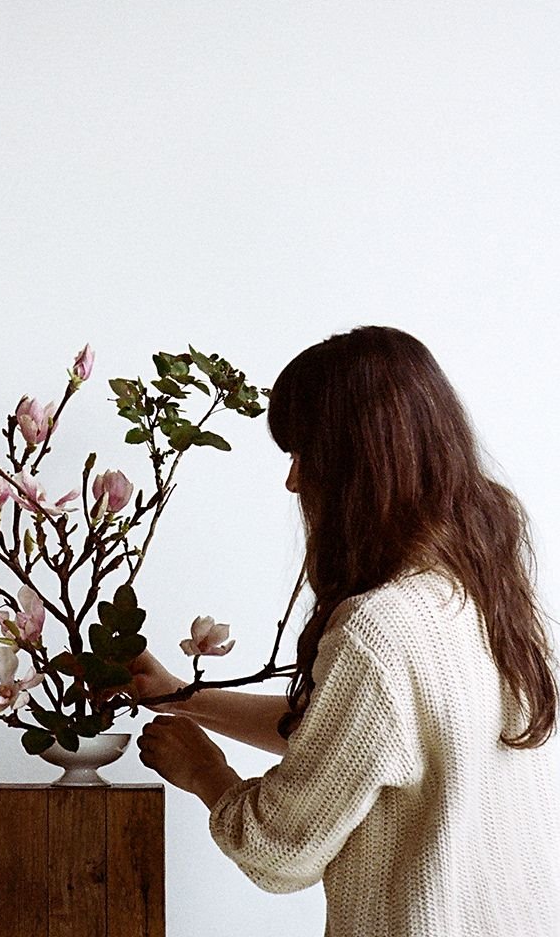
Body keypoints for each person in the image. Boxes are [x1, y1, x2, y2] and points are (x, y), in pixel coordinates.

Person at [135, 326, 560, 937]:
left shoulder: (381, 629)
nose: (292, 481)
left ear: (355, 463)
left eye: (301, 454)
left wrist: (206, 773)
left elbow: (282, 847)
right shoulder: (491, 591)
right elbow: (349, 742)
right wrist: (178, 694)